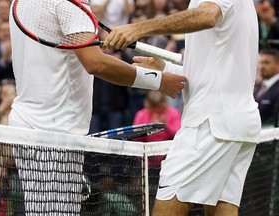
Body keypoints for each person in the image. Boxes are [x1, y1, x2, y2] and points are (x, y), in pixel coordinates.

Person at [8, 0, 186, 215]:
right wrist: (158, 80)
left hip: (26, 126)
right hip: (54, 134)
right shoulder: (70, 3)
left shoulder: (21, 2)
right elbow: (95, 63)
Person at [103, 0, 262, 216]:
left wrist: (138, 28)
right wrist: (165, 68)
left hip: (210, 125)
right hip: (238, 124)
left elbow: (206, 16)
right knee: (220, 210)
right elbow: (214, 68)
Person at [255, 49, 279, 127]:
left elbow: (275, 119)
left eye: (266, 63)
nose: (261, 67)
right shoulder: (261, 87)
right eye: (260, 63)